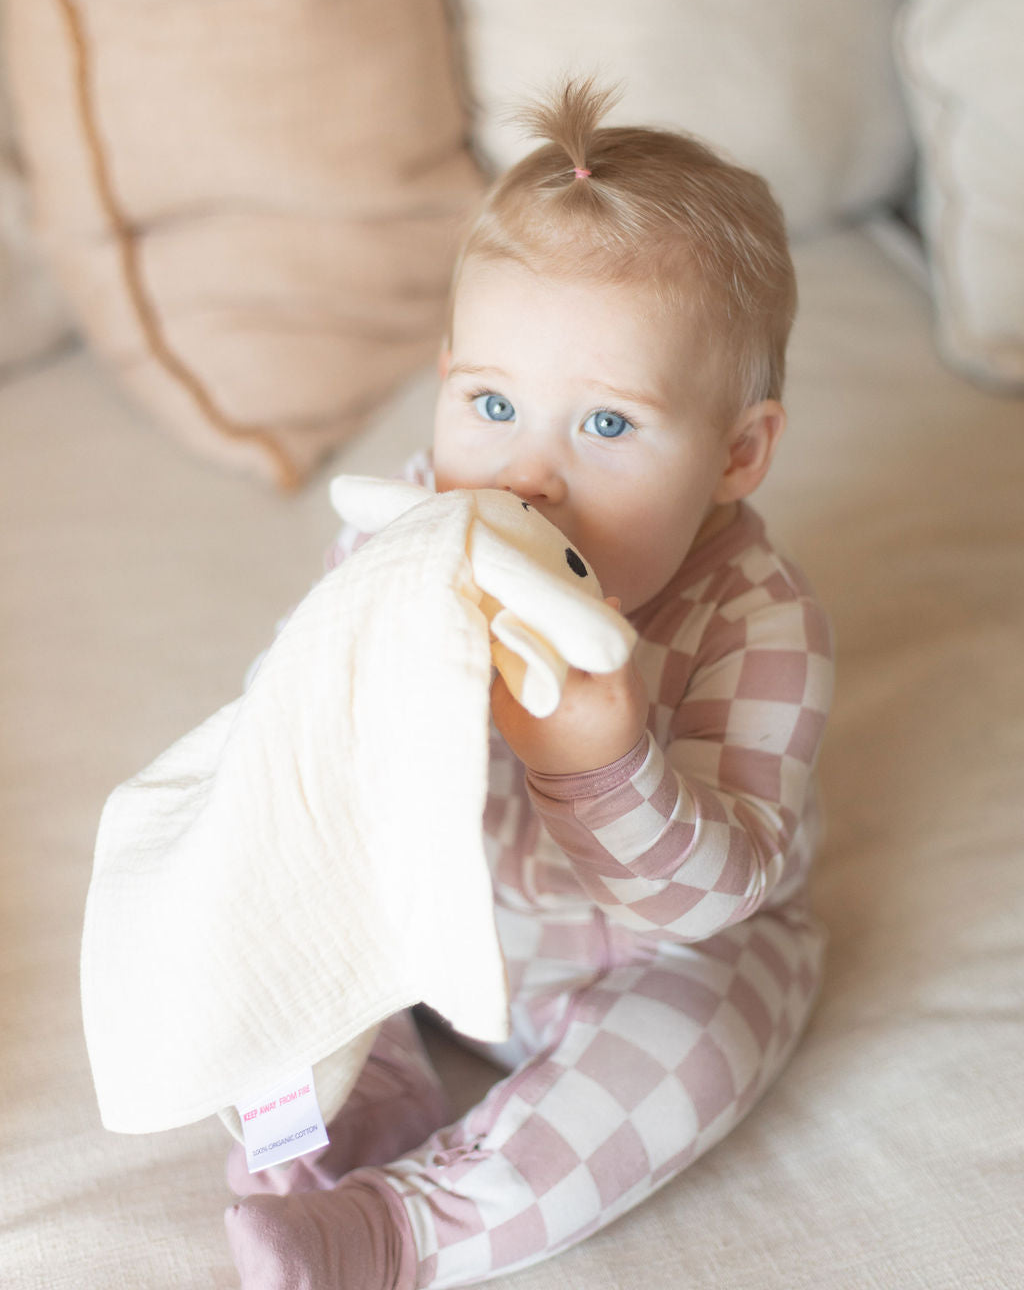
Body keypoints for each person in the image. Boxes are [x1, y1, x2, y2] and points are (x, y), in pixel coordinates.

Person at [224, 78, 835, 1289]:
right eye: (493, 405)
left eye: (605, 426)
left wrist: (598, 765)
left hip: (647, 955)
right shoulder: (416, 530)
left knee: (709, 1037)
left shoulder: (758, 623)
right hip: (430, 908)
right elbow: (299, 717)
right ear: (446, 377)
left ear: (737, 452)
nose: (525, 477)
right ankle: (333, 1139)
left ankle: (403, 1230)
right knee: (263, 933)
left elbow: (707, 897)